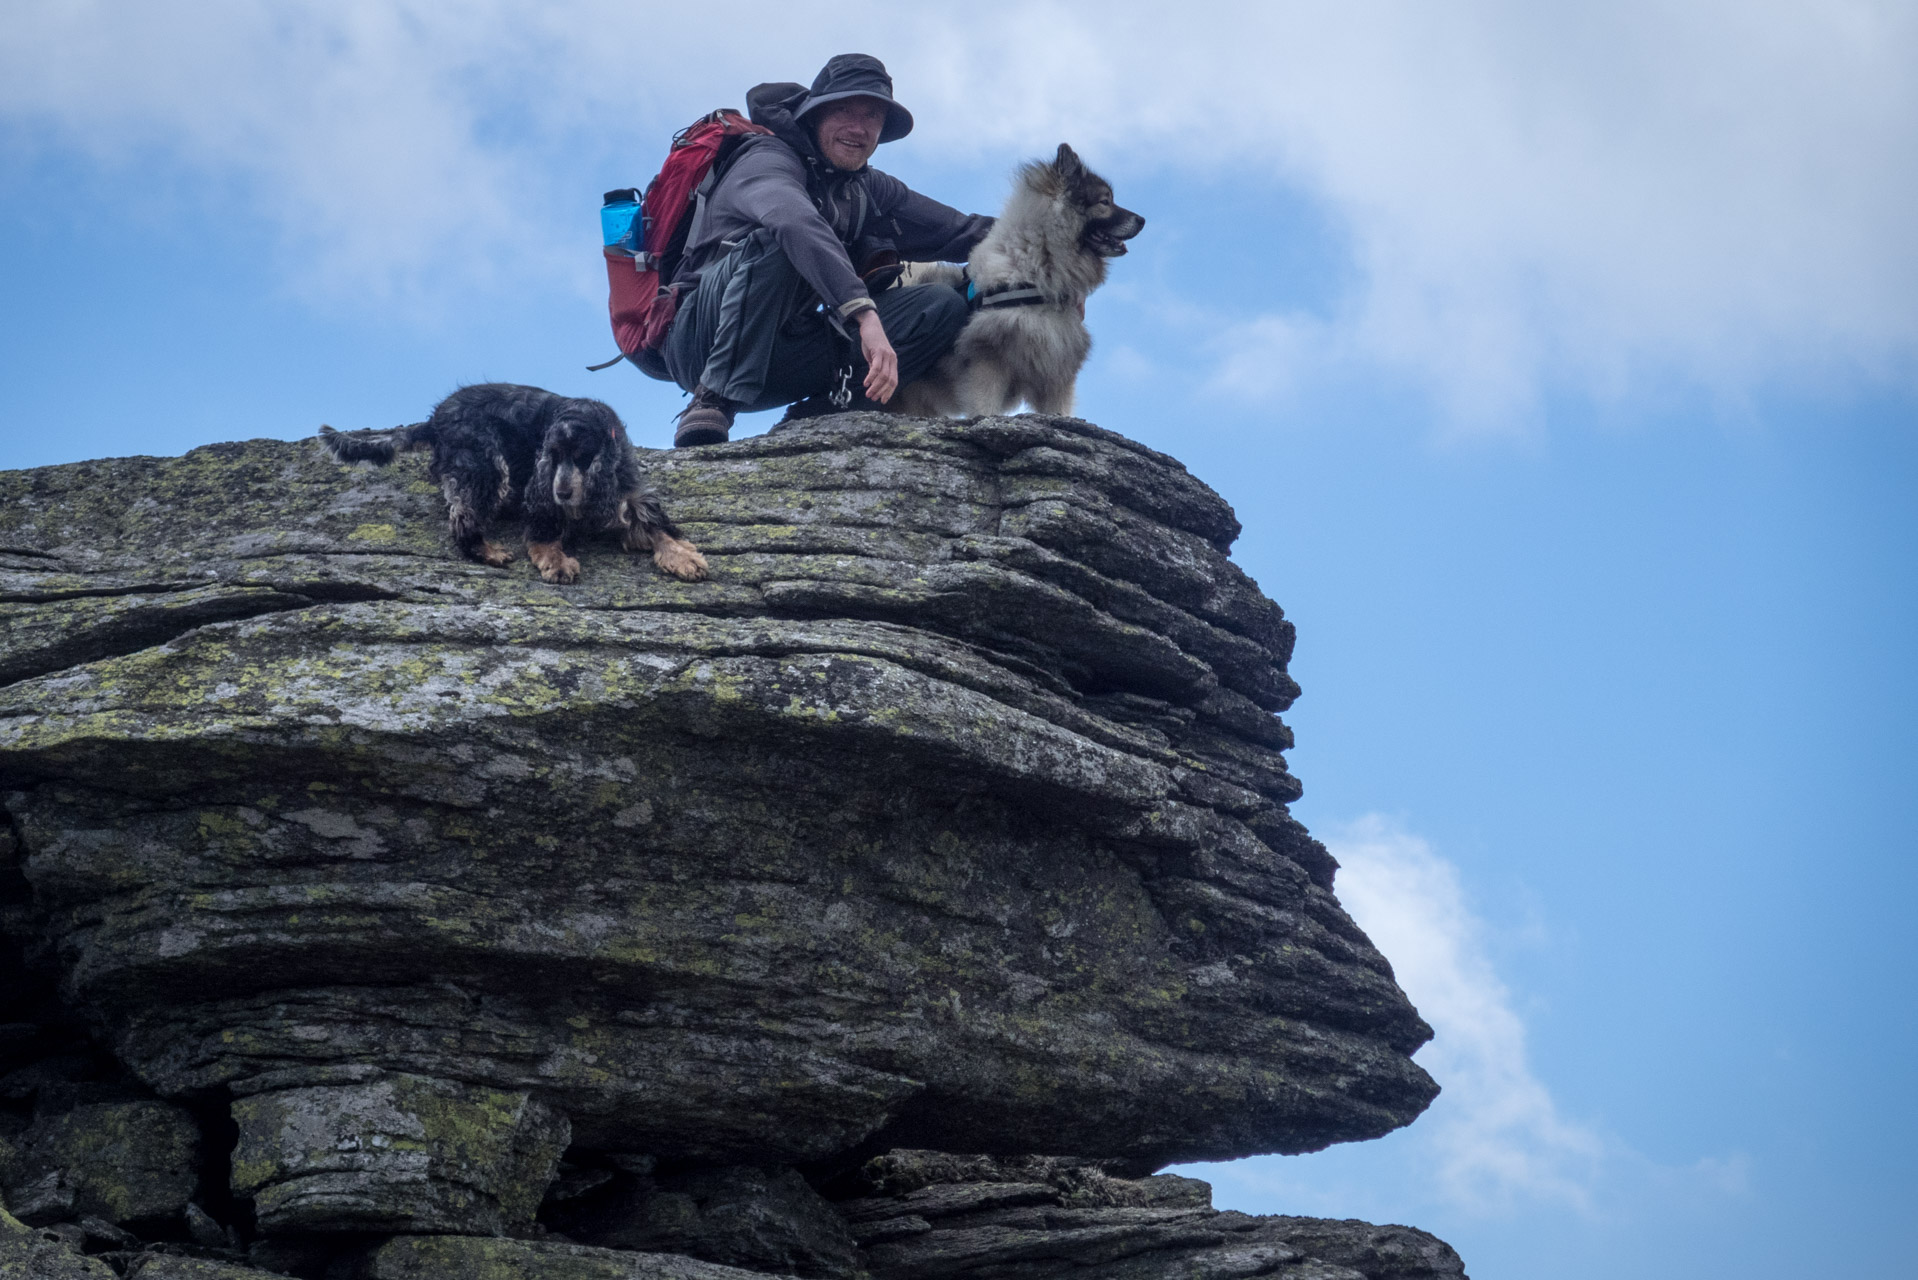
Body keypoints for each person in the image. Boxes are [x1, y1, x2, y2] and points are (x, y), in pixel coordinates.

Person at [661, 54, 994, 446]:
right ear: (816, 114)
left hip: (779, 356)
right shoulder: (766, 159)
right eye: (844, 110)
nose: (858, 127)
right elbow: (793, 223)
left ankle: (823, 415)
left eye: (872, 115)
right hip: (701, 340)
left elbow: (962, 230)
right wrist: (864, 314)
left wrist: (1054, 263)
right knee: (780, 242)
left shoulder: (867, 188)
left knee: (943, 305)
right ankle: (711, 402)